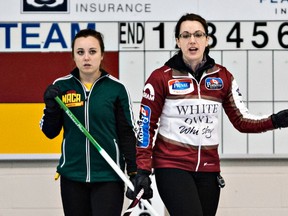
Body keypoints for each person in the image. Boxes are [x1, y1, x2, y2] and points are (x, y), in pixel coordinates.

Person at [130, 13, 288, 216]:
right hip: (171, 165)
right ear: (178, 41)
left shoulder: (222, 76)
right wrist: (142, 170)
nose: (192, 40)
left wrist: (276, 120)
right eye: (185, 35)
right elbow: (145, 126)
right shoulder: (160, 77)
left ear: (207, 39)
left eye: (198, 34)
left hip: (209, 168)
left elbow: (241, 120)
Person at [40, 29, 137, 216]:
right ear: (73, 56)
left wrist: (135, 172)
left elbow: (127, 133)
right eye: (80, 52)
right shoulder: (61, 86)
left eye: (92, 52)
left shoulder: (116, 89)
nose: (86, 58)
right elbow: (50, 132)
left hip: (109, 176)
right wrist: (51, 107)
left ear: (101, 55)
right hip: (72, 176)